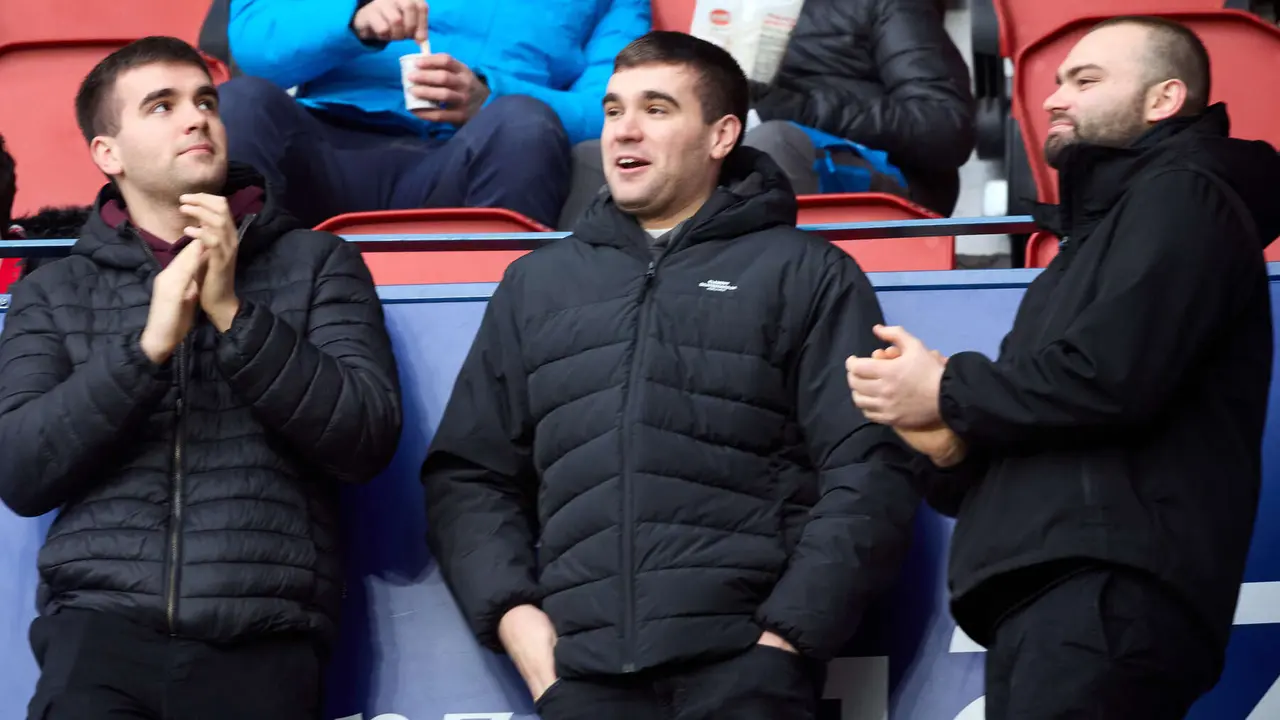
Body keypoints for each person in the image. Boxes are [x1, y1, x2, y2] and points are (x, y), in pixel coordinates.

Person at [421, 30, 923, 720]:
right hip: (585, 682)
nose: (624, 130)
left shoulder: (806, 273)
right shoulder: (536, 285)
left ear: (722, 135)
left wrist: (786, 641)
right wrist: (531, 645)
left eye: (656, 109)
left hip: (747, 676)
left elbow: (870, 466)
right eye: (612, 110)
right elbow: (468, 476)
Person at [846, 16, 1280, 719]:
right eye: (1056, 81)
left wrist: (948, 389)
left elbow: (1110, 379)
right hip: (1055, 594)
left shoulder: (1184, 194)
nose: (1051, 97)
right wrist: (946, 446)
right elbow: (1059, 417)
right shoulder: (1099, 235)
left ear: (1163, 99)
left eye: (1086, 79)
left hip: (1107, 591)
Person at [0, 36, 403, 720]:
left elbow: (364, 436)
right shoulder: (53, 289)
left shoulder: (317, 262)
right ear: (108, 153)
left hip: (263, 639)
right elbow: (20, 470)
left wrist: (233, 315)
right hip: (97, 639)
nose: (196, 118)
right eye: (162, 106)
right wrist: (148, 348)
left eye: (205, 101)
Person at [217, 0, 650, 228]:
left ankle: (496, 333)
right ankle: (233, 304)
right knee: (242, 102)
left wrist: (491, 96)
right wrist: (353, 19)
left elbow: (615, 105)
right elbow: (253, 42)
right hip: (328, 145)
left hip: (476, 157)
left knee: (523, 122)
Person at [556, 0, 974, 228]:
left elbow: (945, 126)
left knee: (771, 142)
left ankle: (763, 299)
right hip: (733, 142)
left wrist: (797, 108)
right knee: (593, 156)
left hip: (873, 168)